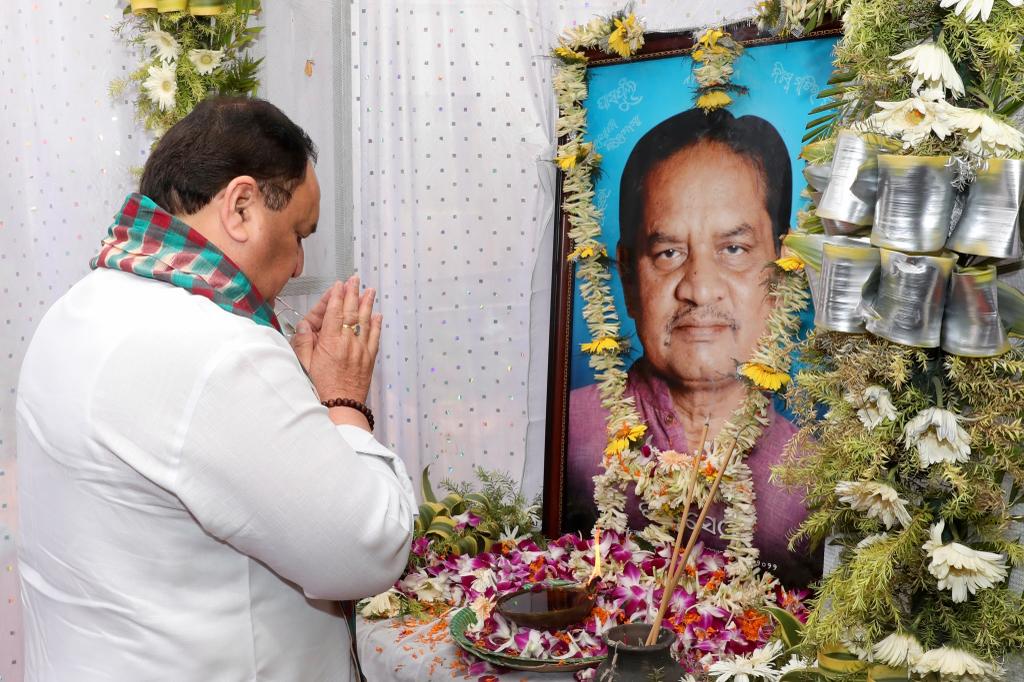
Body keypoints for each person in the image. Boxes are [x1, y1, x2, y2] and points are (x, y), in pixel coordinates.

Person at [16, 97, 416, 681]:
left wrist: (294, 388)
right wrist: (343, 398)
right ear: (242, 206)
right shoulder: (218, 349)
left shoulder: (79, 305)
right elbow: (366, 551)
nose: (302, 262)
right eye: (300, 232)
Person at [566, 108, 821, 587]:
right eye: (668, 253)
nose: (699, 289)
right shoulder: (569, 442)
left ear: (784, 269)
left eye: (734, 250)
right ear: (627, 275)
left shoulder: (819, 479)